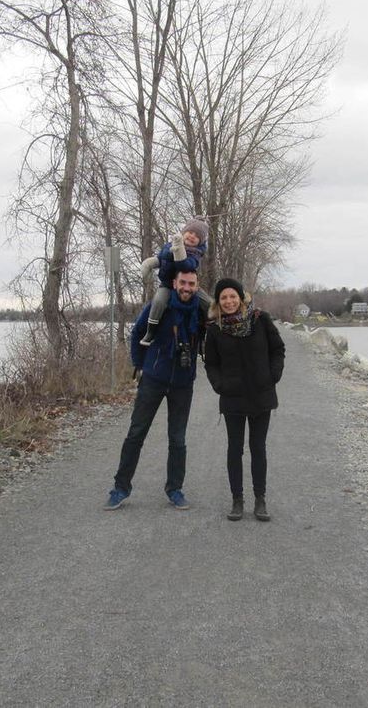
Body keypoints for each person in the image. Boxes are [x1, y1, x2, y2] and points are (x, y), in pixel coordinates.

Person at [104, 268, 205, 511]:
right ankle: (120, 488)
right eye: (182, 282)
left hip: (183, 383)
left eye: (191, 284)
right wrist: (139, 364)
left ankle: (175, 490)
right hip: (153, 378)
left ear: (197, 286)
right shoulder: (159, 305)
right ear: (174, 282)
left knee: (177, 439)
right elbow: (137, 333)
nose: (186, 288)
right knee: (136, 433)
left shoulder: (199, 311)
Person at [203, 277, 285, 522]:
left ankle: (260, 500)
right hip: (233, 399)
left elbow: (277, 349)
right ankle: (237, 500)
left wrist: (273, 375)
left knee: (258, 448)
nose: (228, 301)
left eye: (232, 296)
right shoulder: (215, 330)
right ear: (218, 302)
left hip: (261, 395)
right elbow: (211, 364)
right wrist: (220, 385)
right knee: (234, 449)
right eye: (223, 298)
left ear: (241, 297)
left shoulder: (261, 320)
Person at [138, 216, 211, 346]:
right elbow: (162, 257)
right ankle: (150, 332)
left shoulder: (196, 253)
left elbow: (185, 265)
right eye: (190, 232)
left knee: (209, 303)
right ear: (184, 233)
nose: (192, 236)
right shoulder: (169, 245)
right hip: (166, 284)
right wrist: (150, 263)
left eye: (197, 236)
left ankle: (209, 329)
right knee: (159, 302)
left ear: (200, 241)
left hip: (188, 286)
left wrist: (179, 249)